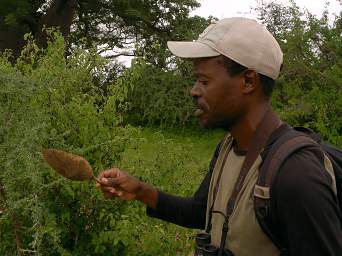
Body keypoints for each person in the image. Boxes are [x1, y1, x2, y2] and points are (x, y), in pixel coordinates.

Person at [97, 17, 342, 255]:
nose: (194, 91)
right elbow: (201, 212)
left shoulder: (296, 175)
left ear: (248, 81)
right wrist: (140, 191)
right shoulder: (229, 146)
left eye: (204, 80)